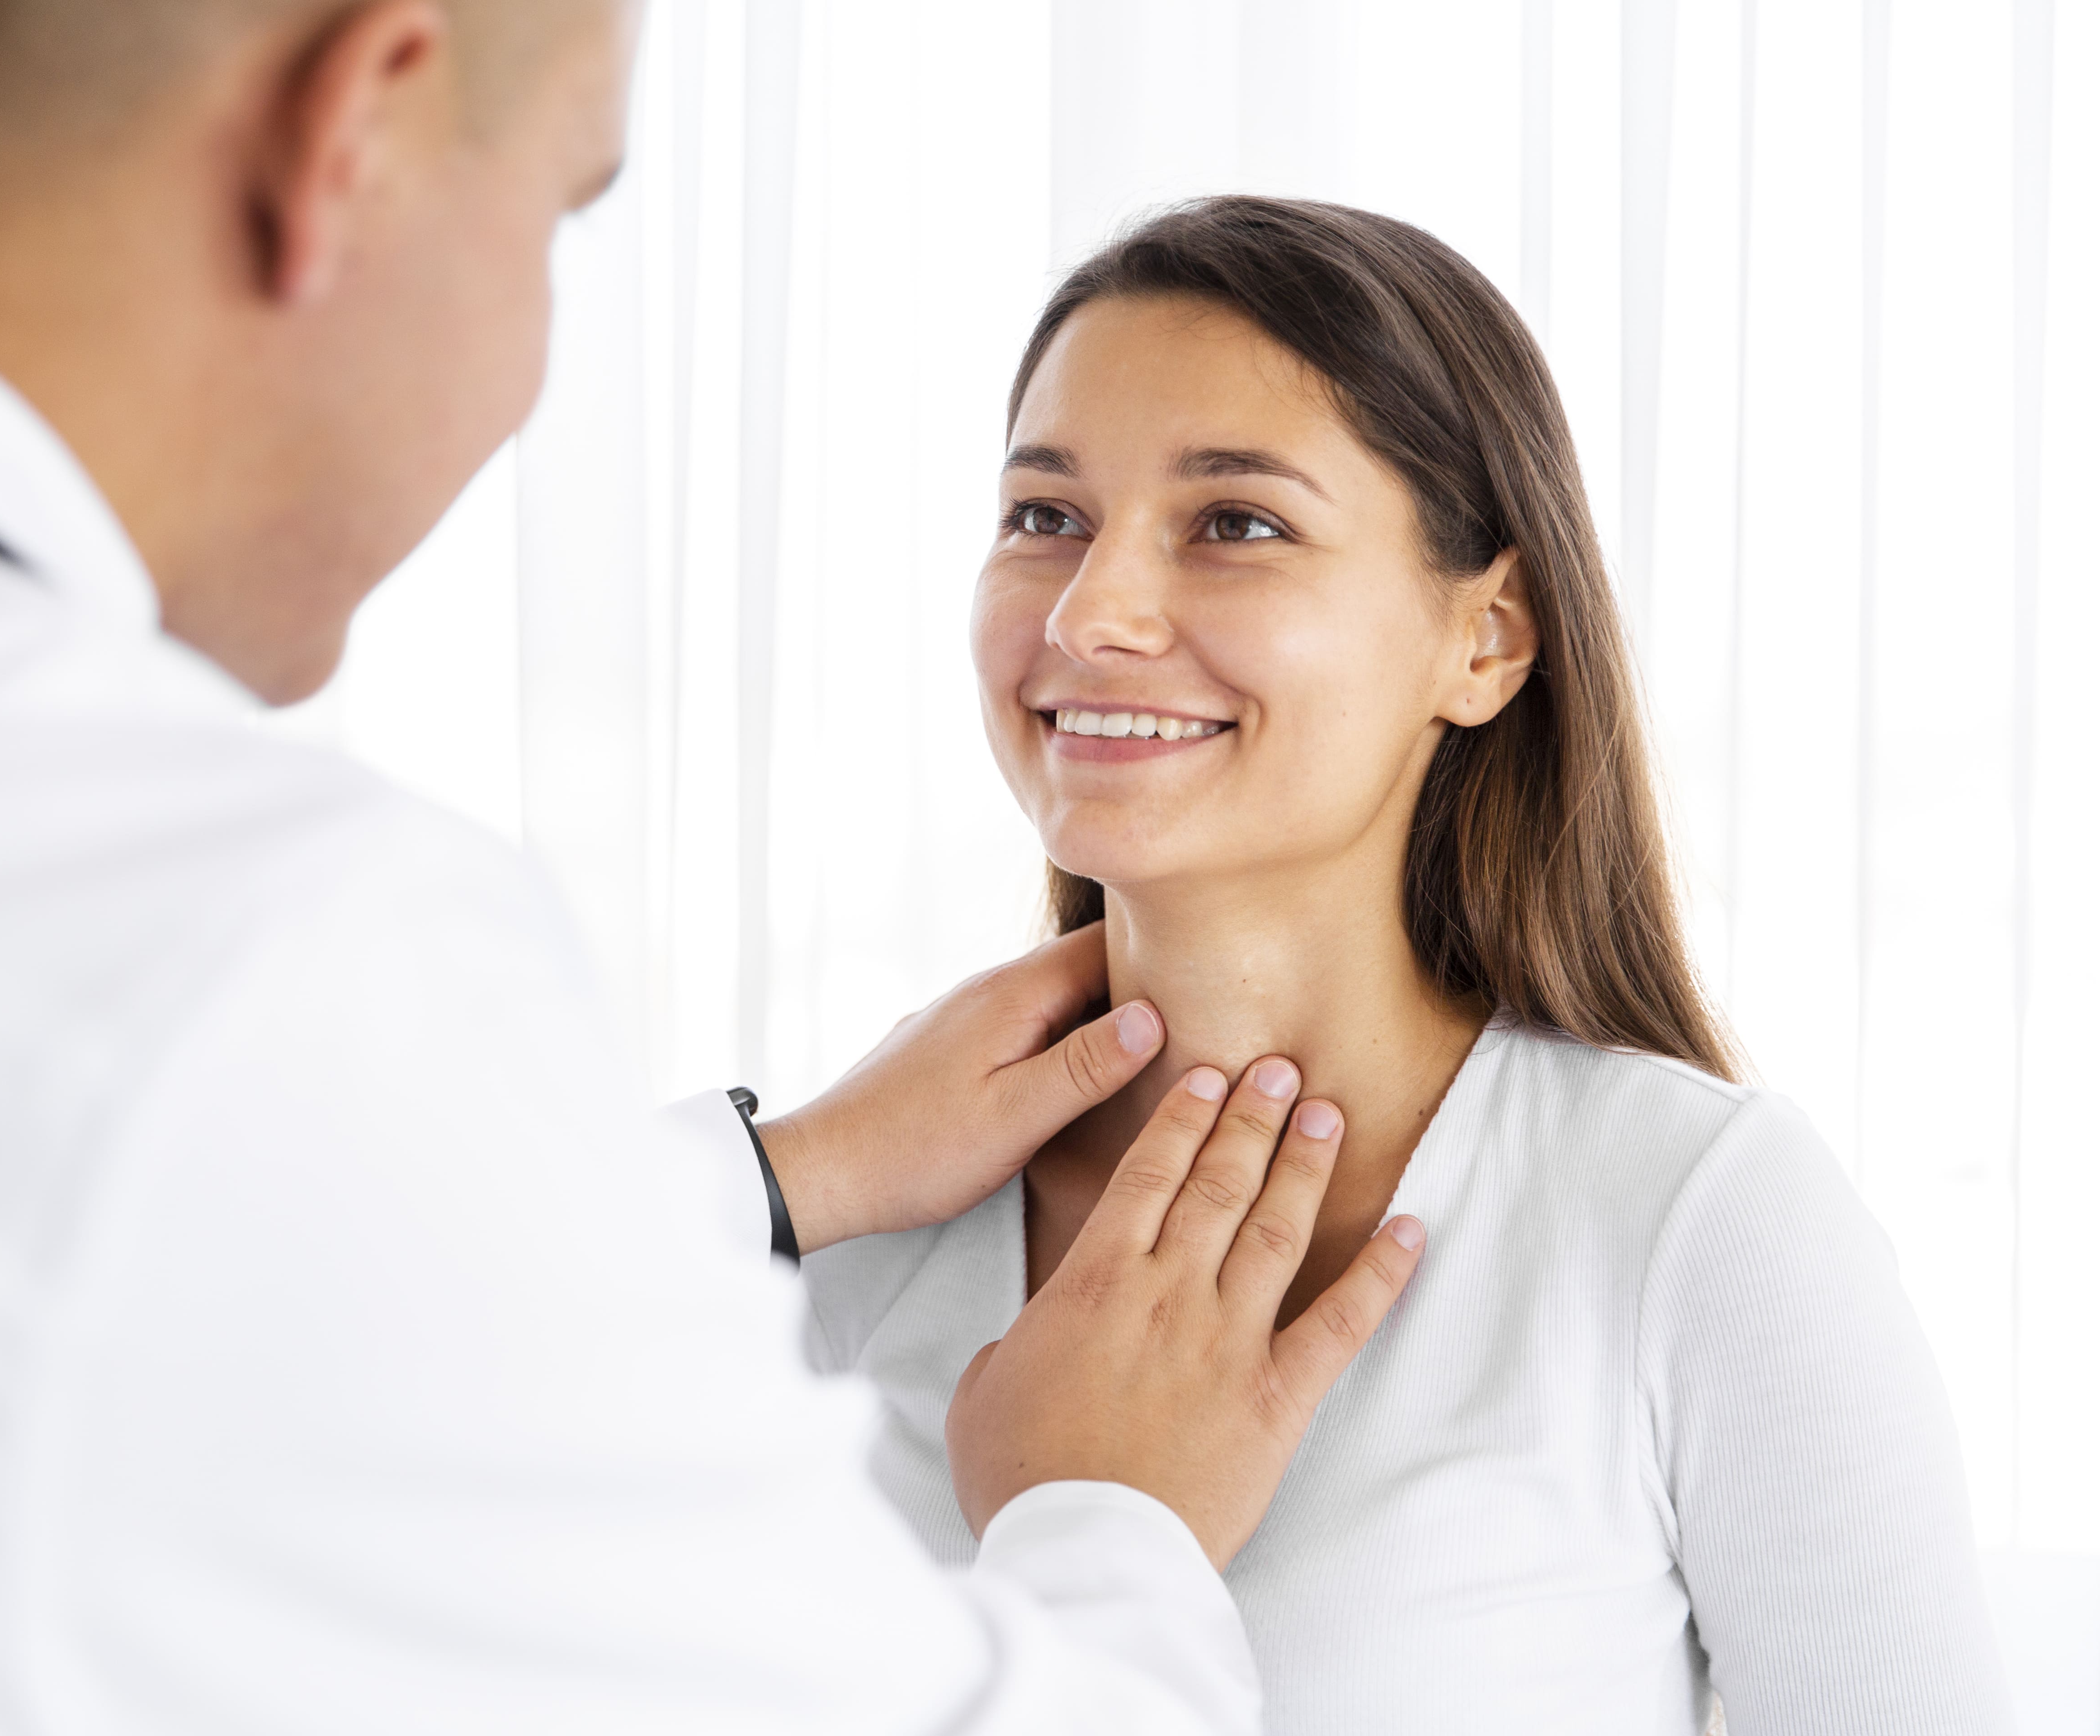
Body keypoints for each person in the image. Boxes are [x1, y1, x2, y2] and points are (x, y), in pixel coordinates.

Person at [0, 5, 1426, 1732]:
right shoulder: (246, 954)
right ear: (359, 123)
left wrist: (781, 1176)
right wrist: (1110, 1522)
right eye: (562, 214)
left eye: (1239, 523)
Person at [799, 195, 2015, 1736]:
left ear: (1488, 640)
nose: (1094, 610)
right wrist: (785, 1187)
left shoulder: (1694, 1222)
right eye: (1045, 517)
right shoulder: (841, 1233)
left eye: (1235, 522)